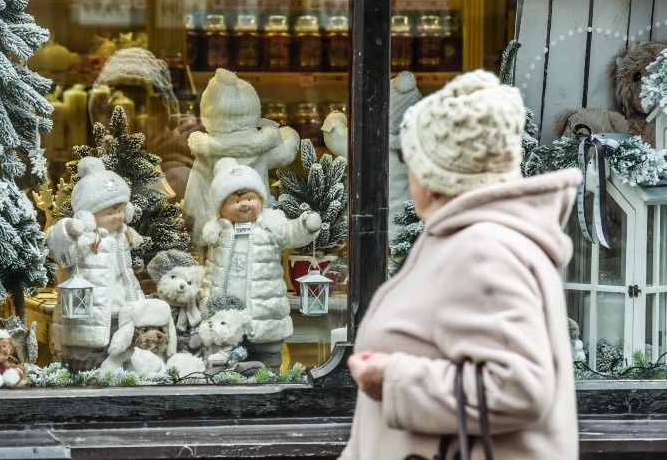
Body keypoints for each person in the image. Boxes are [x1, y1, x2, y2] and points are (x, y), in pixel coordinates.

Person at [340, 70, 580, 459]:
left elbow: (519, 387)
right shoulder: (471, 239)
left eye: (407, 158)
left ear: (435, 175)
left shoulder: (483, 249)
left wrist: (394, 379)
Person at [199, 157, 322, 369]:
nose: (244, 204)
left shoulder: (271, 224)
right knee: (224, 358)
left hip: (264, 310)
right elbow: (210, 271)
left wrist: (305, 226)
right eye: (235, 201)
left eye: (249, 198)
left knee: (267, 355)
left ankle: (269, 374)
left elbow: (290, 233)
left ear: (261, 200)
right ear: (221, 208)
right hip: (226, 315)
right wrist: (205, 300)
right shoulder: (218, 232)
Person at [45, 157, 146, 372]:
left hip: (121, 310)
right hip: (88, 316)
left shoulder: (123, 235)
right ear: (88, 215)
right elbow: (57, 246)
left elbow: (127, 273)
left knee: (121, 356)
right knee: (89, 363)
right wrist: (70, 230)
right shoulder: (86, 238)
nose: (117, 217)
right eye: (109, 212)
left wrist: (137, 302)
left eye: (120, 210)